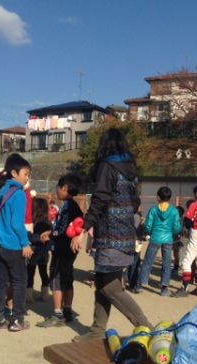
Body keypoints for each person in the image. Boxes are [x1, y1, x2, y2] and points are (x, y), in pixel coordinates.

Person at [70, 128, 152, 340]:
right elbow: (135, 203)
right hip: (126, 235)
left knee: (109, 286)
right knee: (103, 280)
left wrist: (82, 229)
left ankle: (146, 326)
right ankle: (97, 330)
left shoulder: (108, 166)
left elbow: (99, 200)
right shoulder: (131, 170)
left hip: (110, 237)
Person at [0, 154, 33, 331]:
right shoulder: (20, 194)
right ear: (14, 173)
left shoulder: (3, 190)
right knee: (20, 281)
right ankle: (18, 319)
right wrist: (25, 243)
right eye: (26, 174)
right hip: (13, 245)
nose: (27, 178)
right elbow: (16, 223)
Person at [36, 174, 84, 327]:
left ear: (64, 188)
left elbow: (62, 229)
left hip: (62, 249)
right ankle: (67, 311)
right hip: (70, 249)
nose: (56, 191)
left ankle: (58, 314)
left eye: (58, 188)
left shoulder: (68, 207)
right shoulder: (74, 206)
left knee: (57, 281)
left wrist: (50, 234)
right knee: (67, 279)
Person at [134, 187, 182, 297]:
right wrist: (172, 233)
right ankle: (164, 288)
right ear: (170, 198)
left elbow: (148, 225)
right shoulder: (174, 211)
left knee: (147, 261)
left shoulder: (154, 210)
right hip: (168, 239)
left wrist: (151, 233)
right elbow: (177, 227)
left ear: (158, 197)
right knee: (166, 263)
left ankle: (140, 285)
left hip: (155, 237)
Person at [27, 197, 52, 302]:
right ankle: (45, 295)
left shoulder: (33, 222)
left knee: (30, 272)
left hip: (34, 250)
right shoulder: (48, 222)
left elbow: (30, 236)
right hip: (45, 251)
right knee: (43, 272)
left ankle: (28, 296)